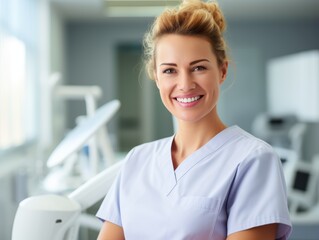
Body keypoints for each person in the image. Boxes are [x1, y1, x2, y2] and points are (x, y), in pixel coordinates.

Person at [96, 0, 292, 239]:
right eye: (170, 70)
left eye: (198, 68)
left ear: (222, 71)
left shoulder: (253, 160)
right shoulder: (137, 160)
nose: (185, 84)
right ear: (156, 78)